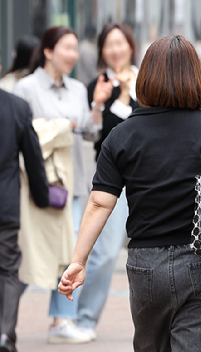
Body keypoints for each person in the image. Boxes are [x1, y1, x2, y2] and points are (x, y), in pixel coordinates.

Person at [58, 35, 201, 352]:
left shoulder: (121, 136)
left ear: (145, 78)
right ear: (196, 77)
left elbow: (99, 203)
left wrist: (78, 261)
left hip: (145, 266)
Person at [12, 26, 105, 344]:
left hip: (74, 183)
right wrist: (64, 127)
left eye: (76, 49)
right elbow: (21, 133)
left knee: (72, 253)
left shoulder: (78, 89)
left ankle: (61, 321)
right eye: (67, 48)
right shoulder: (26, 88)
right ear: (49, 51)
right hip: (39, 186)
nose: (73, 55)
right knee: (31, 254)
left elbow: (92, 134)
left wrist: (97, 107)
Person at [74, 23, 140, 341]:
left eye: (120, 43)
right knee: (104, 252)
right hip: (113, 180)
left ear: (130, 46)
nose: (115, 50)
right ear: (102, 51)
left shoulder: (149, 80)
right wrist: (116, 96)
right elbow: (107, 131)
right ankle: (83, 318)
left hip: (147, 176)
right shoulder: (97, 85)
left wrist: (132, 89)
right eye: (108, 45)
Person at [0, 59, 50, 352]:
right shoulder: (16, 107)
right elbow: (34, 159)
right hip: (5, 205)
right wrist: (43, 198)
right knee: (7, 270)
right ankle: (5, 335)